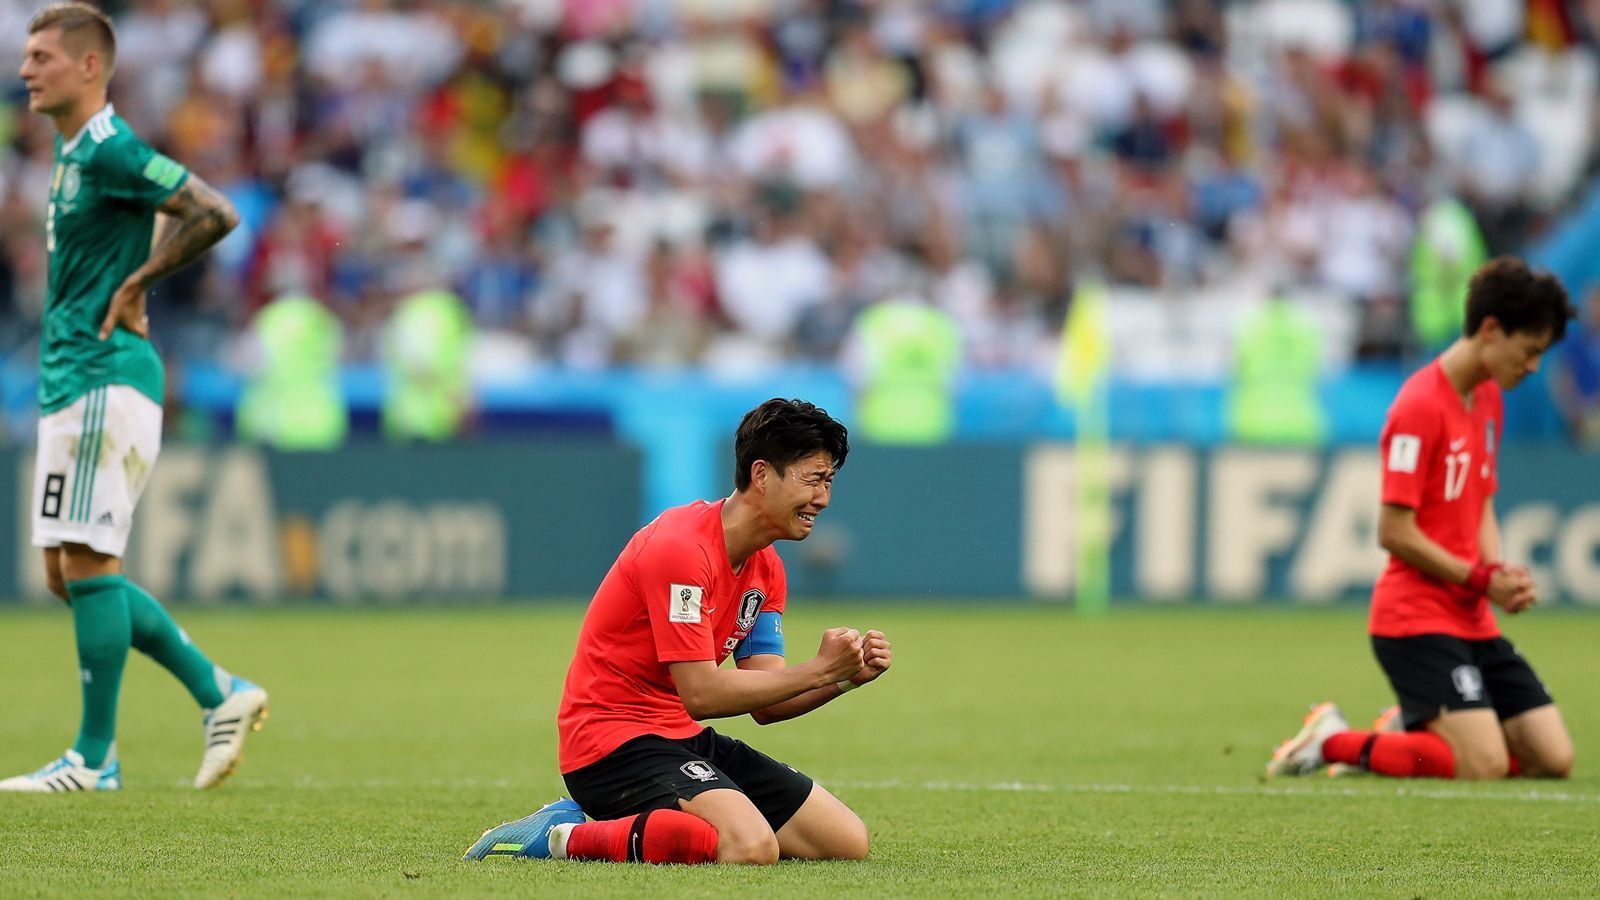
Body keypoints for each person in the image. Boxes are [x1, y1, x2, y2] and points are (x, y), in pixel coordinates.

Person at [0, 3, 266, 793]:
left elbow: (213, 210)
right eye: (26, 55)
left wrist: (141, 282)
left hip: (104, 376)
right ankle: (218, 691)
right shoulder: (72, 149)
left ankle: (93, 757)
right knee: (67, 572)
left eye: (42, 56)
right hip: (73, 377)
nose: (25, 70)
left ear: (90, 67)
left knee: (87, 563)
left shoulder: (114, 149)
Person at [465, 398, 891, 864]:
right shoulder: (681, 549)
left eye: (828, 482)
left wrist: (843, 677)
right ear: (762, 474)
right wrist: (818, 669)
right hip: (609, 744)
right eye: (812, 480)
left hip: (678, 738)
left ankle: (658, 824)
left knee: (845, 843)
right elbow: (702, 693)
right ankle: (560, 834)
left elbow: (770, 700)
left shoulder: (766, 568)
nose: (823, 499)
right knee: (750, 847)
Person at [1266, 257, 1575, 782]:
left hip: (1470, 616)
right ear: (1490, 330)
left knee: (1553, 759)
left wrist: (1495, 574)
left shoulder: (1489, 400)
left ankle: (1411, 734)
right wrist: (1478, 578)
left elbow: (1480, 501)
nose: (1533, 367)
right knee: (1484, 765)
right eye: (1529, 352)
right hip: (1414, 619)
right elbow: (1394, 531)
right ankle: (1332, 740)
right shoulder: (1418, 406)